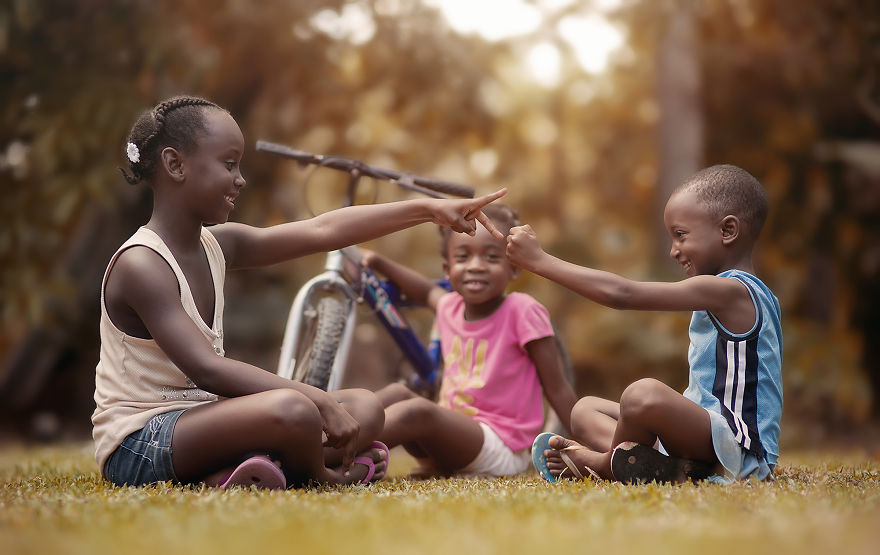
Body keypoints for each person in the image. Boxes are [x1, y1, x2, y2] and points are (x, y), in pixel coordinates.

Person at [92, 95, 507, 489]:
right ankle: (318, 475)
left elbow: (322, 230)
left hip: (198, 419)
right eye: (229, 164)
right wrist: (316, 400)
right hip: (141, 442)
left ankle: (243, 469)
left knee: (365, 405)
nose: (240, 180)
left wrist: (429, 210)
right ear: (175, 164)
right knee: (295, 409)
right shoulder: (141, 264)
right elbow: (208, 370)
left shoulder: (218, 245)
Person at [507, 165, 782, 484]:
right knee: (584, 410)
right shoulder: (728, 291)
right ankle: (665, 468)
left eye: (681, 235)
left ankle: (606, 465)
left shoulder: (731, 291)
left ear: (728, 230)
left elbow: (622, 294)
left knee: (641, 395)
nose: (673, 250)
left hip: (737, 450)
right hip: (700, 439)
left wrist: (540, 261)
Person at [361, 203, 578, 478]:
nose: (476, 266)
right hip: (446, 442)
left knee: (417, 411)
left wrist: (583, 445)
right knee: (396, 393)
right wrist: (380, 263)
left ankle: (334, 454)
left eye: (491, 257)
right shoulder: (449, 306)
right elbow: (425, 290)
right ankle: (327, 434)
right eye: (463, 258)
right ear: (447, 270)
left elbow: (557, 388)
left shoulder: (522, 310)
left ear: (514, 269)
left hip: (500, 446)